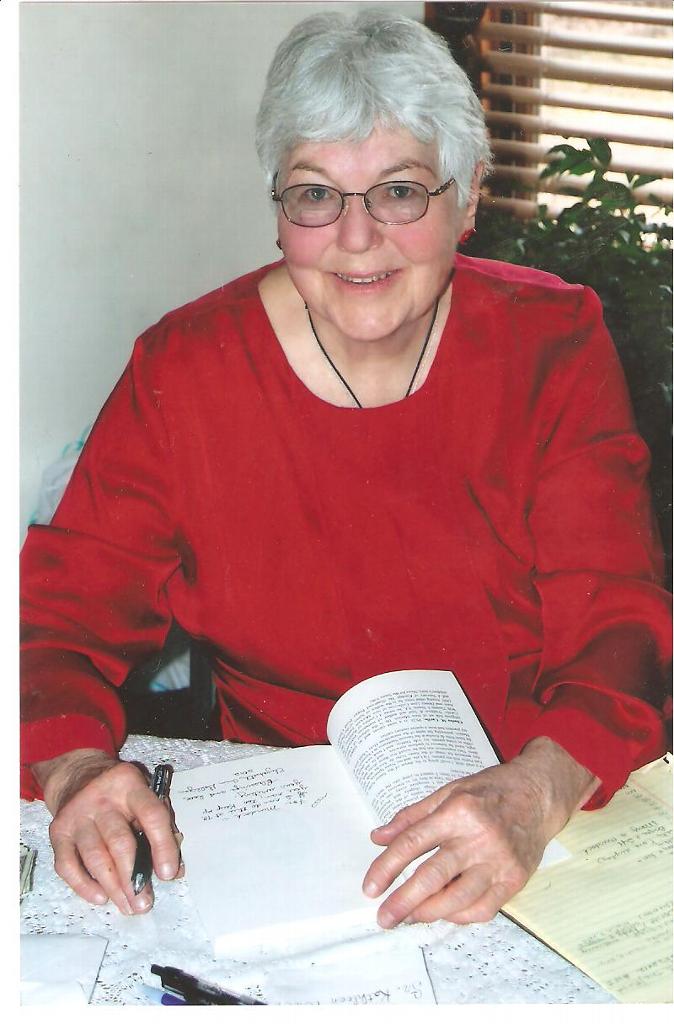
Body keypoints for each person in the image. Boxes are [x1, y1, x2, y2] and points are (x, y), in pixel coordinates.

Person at [21, 10, 670, 930]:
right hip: (291, 833)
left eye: (400, 192)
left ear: (468, 200)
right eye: (316, 195)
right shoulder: (186, 370)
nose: (357, 238)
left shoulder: (551, 344)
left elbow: (618, 623)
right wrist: (76, 767)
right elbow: (54, 618)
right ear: (280, 210)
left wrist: (538, 790)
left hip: (537, 808)